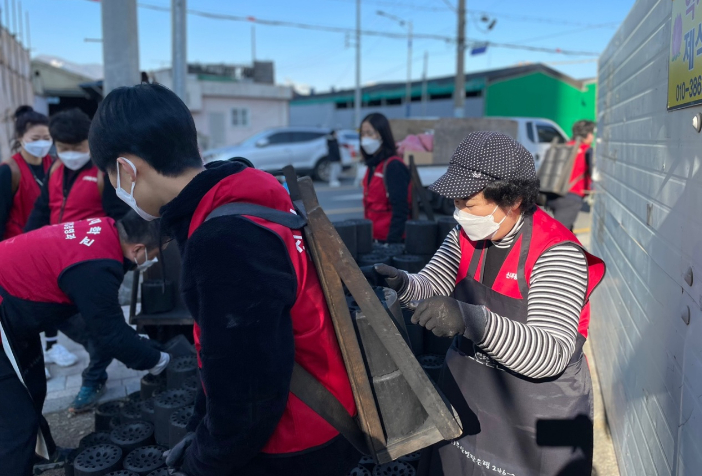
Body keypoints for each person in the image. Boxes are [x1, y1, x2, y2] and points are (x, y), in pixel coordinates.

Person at [89, 83, 359, 476]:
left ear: (128, 168)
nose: (115, 188)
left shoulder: (224, 239)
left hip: (294, 440)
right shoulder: (246, 197)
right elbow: (228, 355)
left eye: (112, 175)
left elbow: (250, 391)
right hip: (323, 409)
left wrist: (205, 460)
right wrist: (200, 427)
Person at [374, 132, 606, 476]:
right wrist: (405, 284)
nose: (460, 214)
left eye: (469, 204)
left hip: (541, 411)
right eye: (456, 204)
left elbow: (550, 353)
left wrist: (471, 320)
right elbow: (433, 284)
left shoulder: (556, 253)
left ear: (512, 201)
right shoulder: (466, 235)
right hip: (474, 396)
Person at [0, 210, 171, 476]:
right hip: (3, 311)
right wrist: (159, 362)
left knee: (33, 388)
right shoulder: (97, 266)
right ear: (138, 249)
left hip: (15, 306)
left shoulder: (104, 229)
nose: (156, 258)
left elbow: (103, 321)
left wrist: (138, 342)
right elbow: (110, 334)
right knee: (15, 421)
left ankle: (41, 456)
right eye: (158, 252)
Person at [25, 108, 131, 412]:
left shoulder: (104, 173)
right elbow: (41, 211)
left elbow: (119, 220)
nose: (71, 154)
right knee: (73, 323)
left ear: (90, 141)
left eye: (78, 147)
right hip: (55, 266)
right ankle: (105, 351)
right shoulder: (55, 171)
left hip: (91, 267)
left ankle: (94, 377)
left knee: (101, 325)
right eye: (64, 148)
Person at [0, 106, 53, 240]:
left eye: (46, 138)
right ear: (20, 137)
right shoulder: (9, 171)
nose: (41, 144)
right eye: (35, 139)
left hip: (46, 241)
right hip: (16, 243)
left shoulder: (53, 165)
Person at [360, 113, 410, 244]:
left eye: (370, 133)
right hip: (374, 237)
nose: (365, 138)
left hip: (390, 240)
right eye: (363, 134)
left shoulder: (393, 166)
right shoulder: (372, 166)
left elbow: (401, 209)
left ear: (382, 135)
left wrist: (392, 242)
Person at [547, 119, 596, 231]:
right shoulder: (586, 150)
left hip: (553, 195)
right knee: (560, 234)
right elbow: (594, 174)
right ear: (588, 135)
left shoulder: (565, 146)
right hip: (571, 197)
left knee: (565, 231)